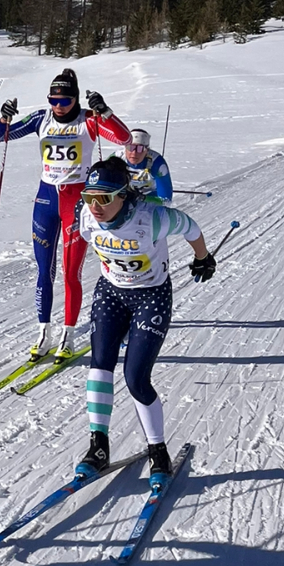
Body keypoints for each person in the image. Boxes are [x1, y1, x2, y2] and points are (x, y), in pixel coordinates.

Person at [72, 157, 215, 486]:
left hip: (151, 296)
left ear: (124, 195)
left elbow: (191, 227)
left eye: (104, 198)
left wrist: (203, 257)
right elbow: (83, 235)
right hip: (111, 292)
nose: (95, 206)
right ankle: (98, 446)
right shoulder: (87, 217)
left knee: (135, 378)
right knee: (99, 365)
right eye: (89, 197)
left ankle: (157, 450)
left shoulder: (152, 218)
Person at [0, 69, 132, 359]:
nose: (58, 106)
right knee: (44, 270)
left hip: (77, 202)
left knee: (71, 273)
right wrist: (5, 116)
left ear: (75, 99)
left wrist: (104, 111)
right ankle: (44, 332)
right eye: (53, 100)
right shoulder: (41, 118)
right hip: (45, 200)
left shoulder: (88, 121)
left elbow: (124, 138)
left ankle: (67, 334)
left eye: (65, 101)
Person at [120, 128, 173, 203]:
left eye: (140, 149)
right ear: (125, 148)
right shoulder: (116, 158)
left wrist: (141, 198)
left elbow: (166, 200)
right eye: (130, 147)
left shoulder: (157, 163)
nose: (134, 153)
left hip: (150, 200)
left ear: (147, 150)